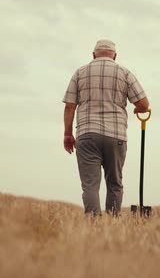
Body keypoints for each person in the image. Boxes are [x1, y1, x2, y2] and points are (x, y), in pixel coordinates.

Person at [63, 39, 149, 217]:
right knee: (115, 183)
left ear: (93, 55)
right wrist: (136, 109)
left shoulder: (80, 72)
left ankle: (93, 223)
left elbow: (70, 106)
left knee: (90, 184)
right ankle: (112, 222)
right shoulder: (124, 73)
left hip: (87, 134)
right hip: (116, 136)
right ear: (115, 56)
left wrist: (68, 134)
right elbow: (143, 104)